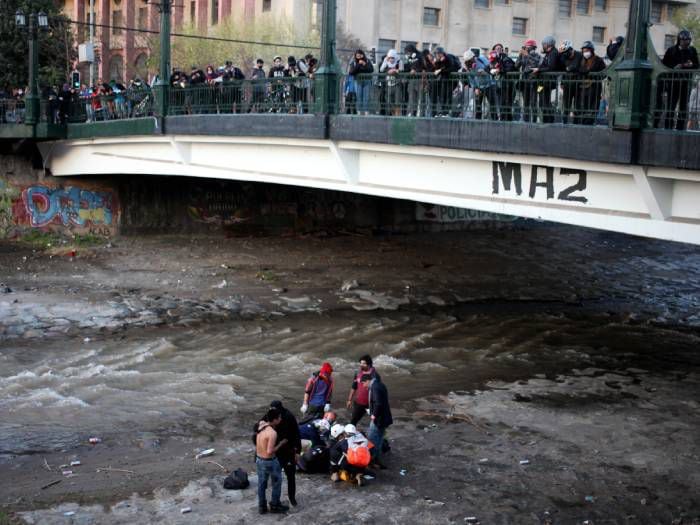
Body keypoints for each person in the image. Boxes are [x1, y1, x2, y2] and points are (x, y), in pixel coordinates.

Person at [656, 30, 699, 130]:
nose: (687, 43)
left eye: (689, 41)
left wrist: (691, 65)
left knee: (683, 107)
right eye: (685, 41)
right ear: (680, 40)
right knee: (671, 106)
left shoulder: (692, 50)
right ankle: (668, 127)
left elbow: (697, 65)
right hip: (673, 82)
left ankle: (680, 128)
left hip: (686, 82)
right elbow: (664, 65)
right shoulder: (671, 50)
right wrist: (674, 68)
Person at [255, 408, 290, 514]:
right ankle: (275, 505)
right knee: (276, 483)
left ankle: (262, 506)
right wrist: (281, 443)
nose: (280, 419)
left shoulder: (261, 425)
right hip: (269, 461)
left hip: (259, 459)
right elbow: (270, 451)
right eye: (279, 418)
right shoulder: (272, 433)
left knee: (261, 484)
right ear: (274, 420)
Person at [269, 400, 301, 507]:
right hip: (276, 451)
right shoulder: (271, 415)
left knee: (291, 476)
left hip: (289, 451)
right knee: (275, 476)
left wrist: (298, 451)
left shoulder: (289, 416)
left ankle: (292, 497)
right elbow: (259, 427)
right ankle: (275, 500)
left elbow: (297, 434)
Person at [361, 373, 392, 469]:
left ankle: (371, 460)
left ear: (367, 381)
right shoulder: (380, 384)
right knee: (379, 439)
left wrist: (373, 415)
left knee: (372, 440)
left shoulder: (374, 387)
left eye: (363, 383)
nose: (363, 386)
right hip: (384, 418)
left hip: (379, 419)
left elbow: (378, 403)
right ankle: (376, 460)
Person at [576, 41, 606, 125]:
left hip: (594, 88)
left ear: (592, 50)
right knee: (583, 106)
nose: (585, 53)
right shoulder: (581, 60)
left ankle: (590, 121)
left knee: (593, 106)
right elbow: (578, 70)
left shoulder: (598, 60)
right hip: (582, 88)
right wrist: (585, 71)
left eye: (587, 51)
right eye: (584, 51)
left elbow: (603, 73)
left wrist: (592, 74)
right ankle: (583, 121)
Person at [346, 355, 380, 425]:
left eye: (364, 364)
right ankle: (351, 434)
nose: (361, 365)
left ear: (369, 364)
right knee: (353, 422)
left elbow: (378, 390)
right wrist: (349, 400)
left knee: (376, 422)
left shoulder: (374, 375)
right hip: (359, 403)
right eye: (361, 363)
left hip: (370, 404)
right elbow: (354, 386)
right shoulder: (358, 373)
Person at [533, 35, 560, 123]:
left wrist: (539, 69)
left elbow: (551, 67)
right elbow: (544, 64)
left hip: (547, 82)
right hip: (542, 82)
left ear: (549, 44)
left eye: (544, 44)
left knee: (545, 102)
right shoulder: (548, 53)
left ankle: (549, 120)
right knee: (542, 101)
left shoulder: (554, 53)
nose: (543, 46)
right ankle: (545, 119)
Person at [515, 39, 541, 122]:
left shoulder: (537, 55)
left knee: (533, 102)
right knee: (525, 103)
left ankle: (534, 120)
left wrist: (528, 55)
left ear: (533, 47)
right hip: (525, 81)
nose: (526, 48)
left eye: (528, 46)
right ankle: (526, 120)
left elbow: (536, 64)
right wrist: (520, 55)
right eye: (525, 46)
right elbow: (516, 65)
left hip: (534, 82)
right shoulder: (523, 55)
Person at [558, 40, 582, 124]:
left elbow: (575, 66)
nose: (565, 54)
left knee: (577, 106)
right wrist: (562, 82)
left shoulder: (579, 55)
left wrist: (569, 68)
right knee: (566, 105)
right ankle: (564, 122)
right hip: (567, 84)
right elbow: (563, 68)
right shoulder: (564, 56)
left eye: (566, 52)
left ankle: (576, 123)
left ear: (571, 50)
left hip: (578, 84)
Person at [490, 43, 516, 121]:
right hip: (499, 86)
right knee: (501, 104)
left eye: (499, 48)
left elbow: (509, 68)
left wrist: (499, 70)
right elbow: (488, 69)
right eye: (496, 49)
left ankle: (506, 120)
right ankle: (503, 120)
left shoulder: (505, 58)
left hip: (507, 85)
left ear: (502, 50)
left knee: (506, 104)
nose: (498, 50)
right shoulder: (493, 60)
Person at [433, 47, 460, 116]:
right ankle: (443, 111)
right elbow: (436, 68)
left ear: (442, 53)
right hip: (444, 80)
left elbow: (451, 68)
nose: (437, 55)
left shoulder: (448, 58)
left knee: (448, 95)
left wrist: (441, 70)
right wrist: (438, 62)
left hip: (452, 80)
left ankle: (447, 111)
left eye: (439, 54)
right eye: (436, 54)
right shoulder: (438, 60)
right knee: (443, 95)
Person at [349, 49, 374, 115]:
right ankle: (359, 111)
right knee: (359, 96)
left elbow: (371, 70)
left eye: (360, 55)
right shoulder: (353, 62)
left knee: (366, 97)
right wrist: (358, 64)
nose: (359, 57)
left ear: (363, 55)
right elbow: (351, 72)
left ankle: (366, 111)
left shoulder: (367, 61)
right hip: (358, 81)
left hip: (367, 81)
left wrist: (364, 64)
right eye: (357, 56)